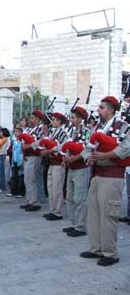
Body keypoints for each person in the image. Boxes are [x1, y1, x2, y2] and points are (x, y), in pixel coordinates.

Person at [80, 96, 130, 266]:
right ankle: (96, 248)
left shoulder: (123, 126)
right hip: (97, 174)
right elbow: (87, 147)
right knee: (93, 213)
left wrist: (103, 155)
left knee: (109, 215)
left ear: (110, 109)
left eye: (101, 108)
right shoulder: (98, 127)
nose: (98, 110)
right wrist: (89, 158)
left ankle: (110, 253)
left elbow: (125, 149)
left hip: (112, 175)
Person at [62, 106, 90, 237]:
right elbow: (67, 146)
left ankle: (81, 226)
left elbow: (86, 150)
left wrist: (73, 158)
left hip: (81, 168)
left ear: (80, 118)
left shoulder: (87, 132)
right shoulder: (71, 131)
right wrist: (65, 159)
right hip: (71, 167)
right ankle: (73, 223)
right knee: (69, 197)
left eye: (73, 117)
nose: (71, 119)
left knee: (80, 198)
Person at [40, 112, 67, 221]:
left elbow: (60, 147)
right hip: (51, 161)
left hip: (58, 162)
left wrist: (48, 150)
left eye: (55, 120)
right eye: (53, 119)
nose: (53, 121)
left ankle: (57, 211)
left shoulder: (63, 132)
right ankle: (52, 209)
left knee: (56, 188)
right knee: (50, 187)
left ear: (60, 121)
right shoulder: (52, 131)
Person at [21, 110, 44, 212]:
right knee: (27, 179)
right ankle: (29, 200)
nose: (31, 120)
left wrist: (28, 145)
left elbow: (39, 142)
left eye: (33, 118)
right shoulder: (30, 129)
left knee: (31, 179)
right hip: (27, 155)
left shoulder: (40, 129)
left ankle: (34, 201)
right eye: (31, 118)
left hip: (34, 155)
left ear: (38, 119)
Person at [7, 127, 25, 198]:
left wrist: (23, 161)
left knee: (21, 177)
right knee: (14, 177)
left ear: (21, 132)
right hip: (14, 160)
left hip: (20, 160)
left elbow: (23, 152)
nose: (15, 133)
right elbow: (13, 151)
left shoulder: (23, 141)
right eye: (14, 131)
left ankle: (21, 192)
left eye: (17, 131)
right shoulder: (14, 140)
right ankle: (13, 191)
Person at [0, 128, 11, 193]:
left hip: (1, 155)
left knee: (1, 172)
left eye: (1, 132)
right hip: (0, 154)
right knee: (0, 171)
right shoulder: (4, 139)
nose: (0, 133)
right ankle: (0, 186)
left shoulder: (5, 139)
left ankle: (2, 187)